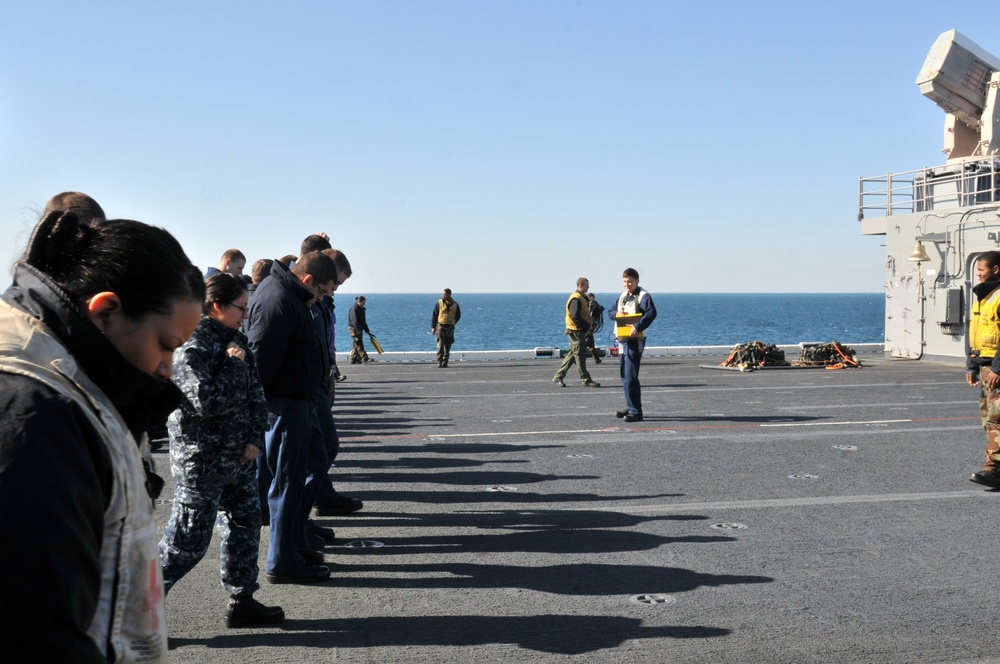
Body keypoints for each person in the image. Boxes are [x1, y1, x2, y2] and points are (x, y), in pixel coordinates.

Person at [0, 211, 205, 662]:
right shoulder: (33, 409)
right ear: (106, 311)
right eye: (166, 345)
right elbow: (34, 628)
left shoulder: (75, 383)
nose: (169, 368)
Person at [159, 273, 284, 628]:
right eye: (241, 308)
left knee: (244, 527)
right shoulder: (191, 345)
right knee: (186, 542)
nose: (246, 315)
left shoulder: (235, 339)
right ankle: (136, 609)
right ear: (218, 306)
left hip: (239, 457)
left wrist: (254, 439)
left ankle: (242, 600)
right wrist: (232, 364)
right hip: (203, 461)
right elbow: (206, 400)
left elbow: (255, 393)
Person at [246, 251, 339, 583]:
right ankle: (283, 559)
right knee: (286, 482)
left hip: (298, 400)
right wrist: (260, 413)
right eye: (322, 292)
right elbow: (260, 361)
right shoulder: (278, 300)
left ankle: (294, 541)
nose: (321, 299)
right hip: (284, 404)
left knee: (314, 462)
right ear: (308, 280)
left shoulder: (288, 295)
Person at [967, 251, 1000, 487]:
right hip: (984, 365)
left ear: (996, 270)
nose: (978, 275)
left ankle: (993, 469)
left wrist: (998, 368)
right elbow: (974, 333)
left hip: (996, 368)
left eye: (981, 270)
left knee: (997, 419)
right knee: (988, 420)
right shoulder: (983, 296)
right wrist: (971, 366)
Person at [608, 268, 657, 422]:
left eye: (629, 281)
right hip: (622, 339)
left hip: (635, 340)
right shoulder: (623, 296)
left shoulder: (643, 296)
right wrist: (616, 314)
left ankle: (636, 412)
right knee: (624, 375)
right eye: (624, 281)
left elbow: (651, 313)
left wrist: (638, 326)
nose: (627, 284)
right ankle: (630, 407)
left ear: (637, 281)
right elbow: (610, 311)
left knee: (631, 375)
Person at [552, 278, 600, 388]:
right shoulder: (576, 299)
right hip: (576, 331)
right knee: (580, 356)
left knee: (572, 355)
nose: (588, 287)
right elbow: (575, 317)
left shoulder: (582, 297)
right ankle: (586, 380)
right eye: (587, 285)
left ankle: (558, 376)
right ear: (580, 285)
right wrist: (587, 326)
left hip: (579, 331)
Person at [431, 288, 461, 368]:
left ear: (449, 294)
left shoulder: (455, 304)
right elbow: (434, 314)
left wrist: (452, 322)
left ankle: (445, 361)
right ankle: (439, 361)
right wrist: (433, 327)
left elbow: (458, 315)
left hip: (450, 327)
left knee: (448, 344)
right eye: (443, 294)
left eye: (445, 294)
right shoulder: (439, 302)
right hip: (441, 326)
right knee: (440, 344)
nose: (443, 296)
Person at [349, 295, 373, 364]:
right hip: (354, 328)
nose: (364, 304)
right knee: (358, 342)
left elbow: (363, 321)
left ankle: (353, 358)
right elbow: (354, 321)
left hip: (359, 328)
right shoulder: (354, 309)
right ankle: (364, 357)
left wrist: (367, 330)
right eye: (363, 302)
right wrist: (358, 329)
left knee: (356, 343)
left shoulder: (361, 309)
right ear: (360, 301)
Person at [586, 292, 606, 364]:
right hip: (590, 326)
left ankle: (574, 357)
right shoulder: (593, 304)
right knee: (590, 342)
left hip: (589, 326)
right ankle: (597, 359)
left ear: (591, 297)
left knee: (587, 341)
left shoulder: (592, 304)